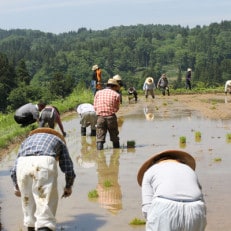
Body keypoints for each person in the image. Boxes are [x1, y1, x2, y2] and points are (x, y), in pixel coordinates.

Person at [10, 128, 76, 231]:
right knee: (45, 208)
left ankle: (31, 226)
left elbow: (15, 168)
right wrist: (68, 186)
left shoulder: (27, 141)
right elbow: (67, 166)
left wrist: (16, 186)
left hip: (23, 165)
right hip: (44, 163)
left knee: (28, 207)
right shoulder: (58, 140)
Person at [137, 149, 207, 231]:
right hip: (196, 208)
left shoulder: (150, 171)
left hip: (164, 207)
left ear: (155, 163)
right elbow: (201, 198)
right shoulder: (189, 170)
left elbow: (146, 208)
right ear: (179, 160)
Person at [94, 78, 120, 150]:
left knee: (100, 136)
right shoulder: (116, 94)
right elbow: (116, 108)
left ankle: (100, 154)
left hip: (100, 117)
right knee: (114, 135)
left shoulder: (98, 93)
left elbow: (95, 106)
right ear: (114, 86)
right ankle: (116, 154)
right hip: (111, 117)